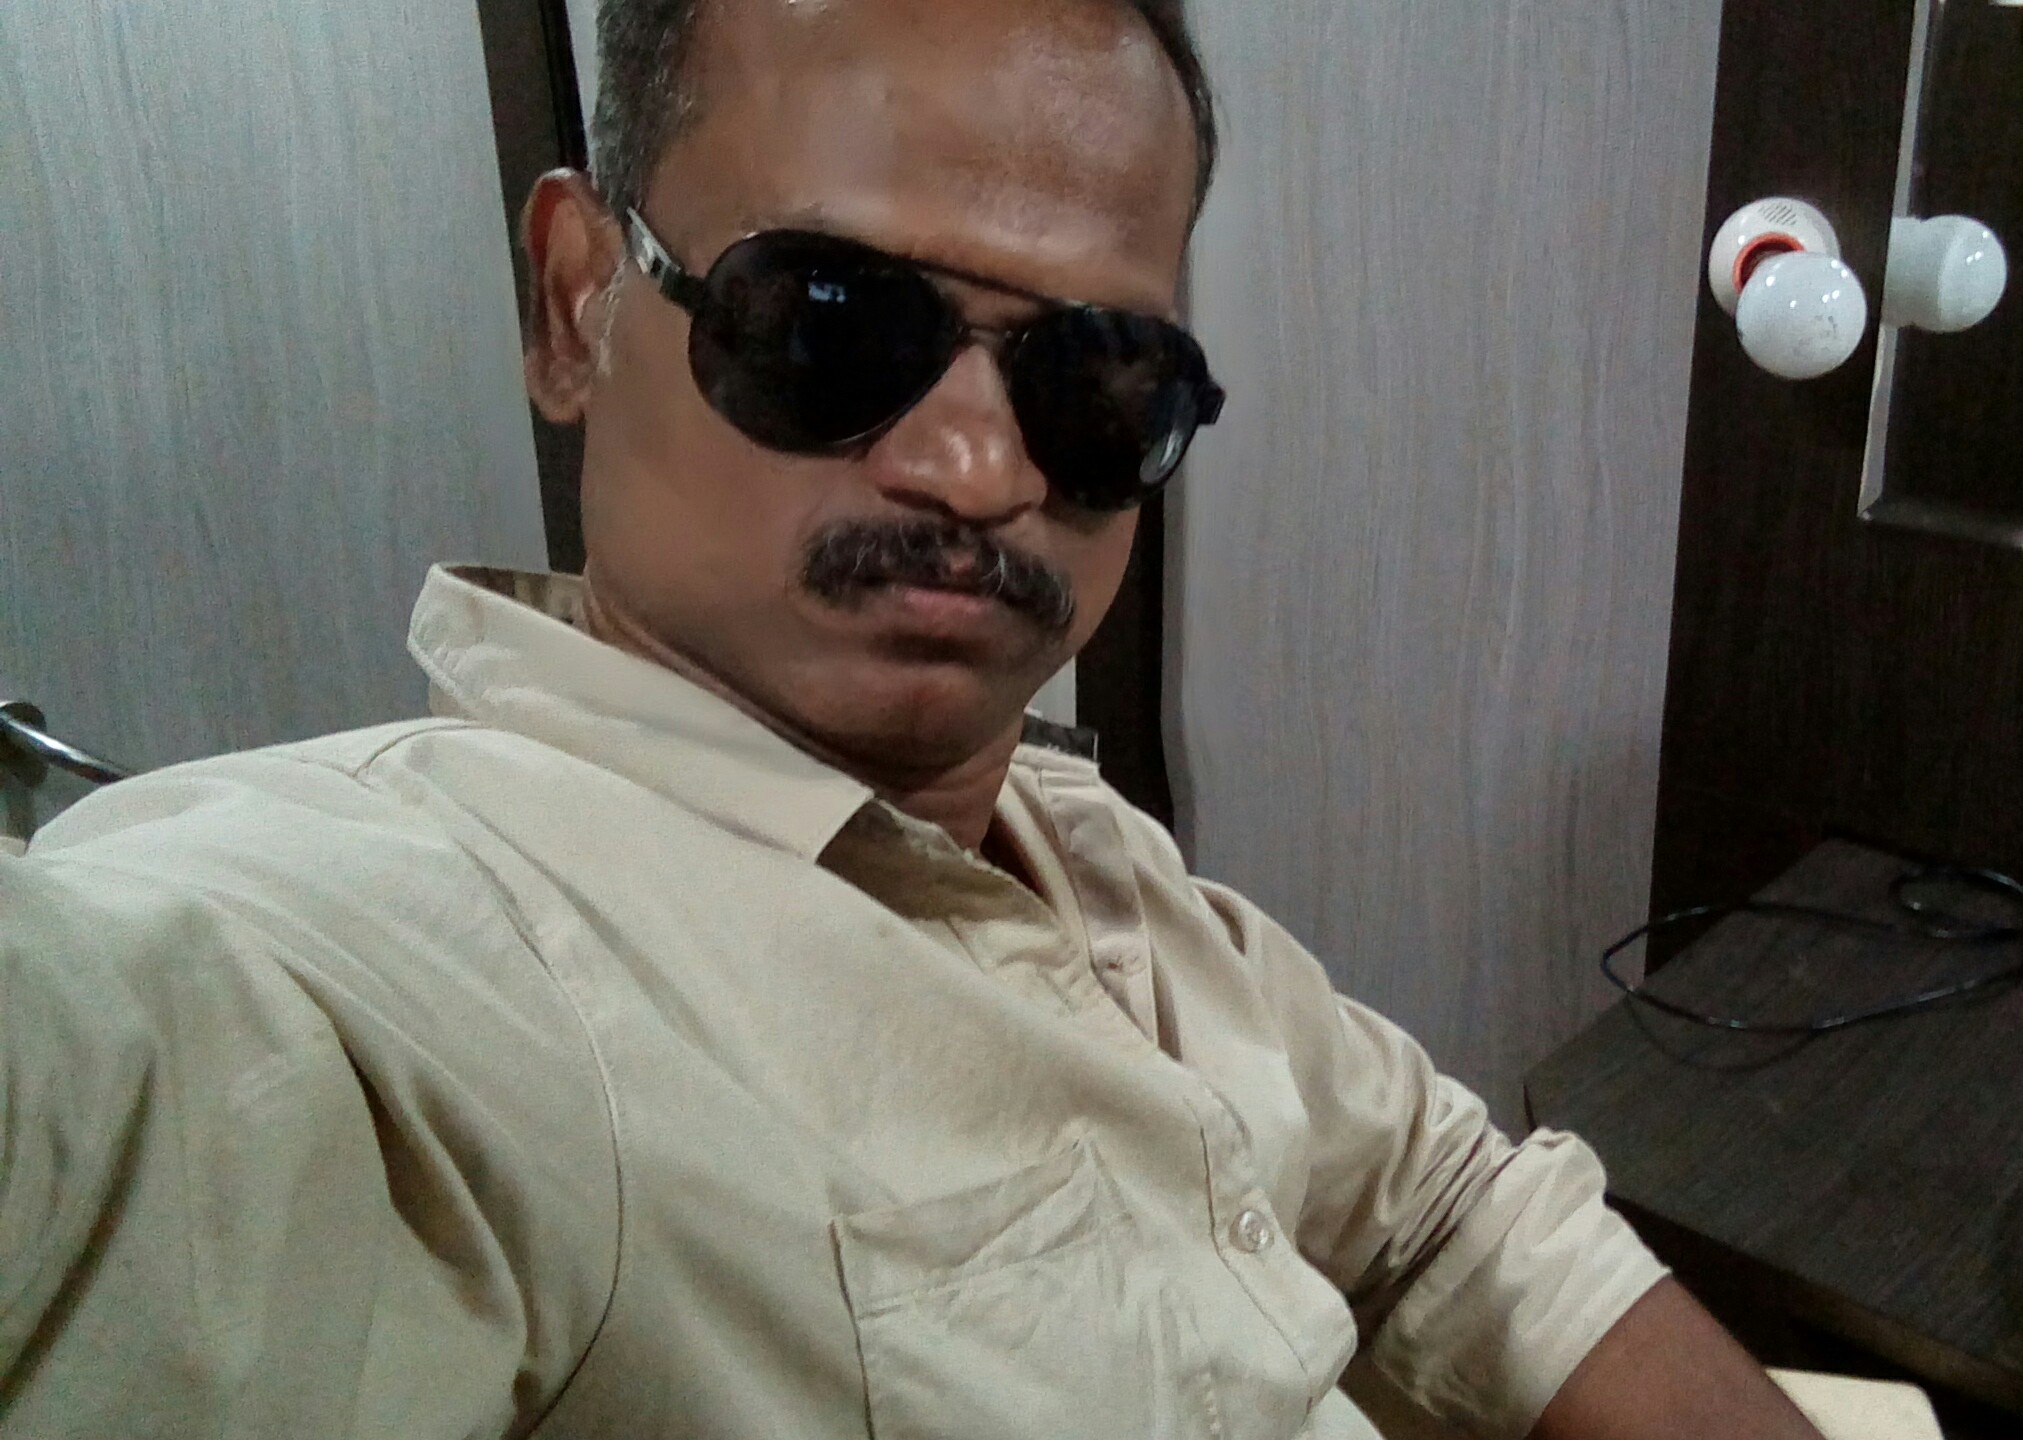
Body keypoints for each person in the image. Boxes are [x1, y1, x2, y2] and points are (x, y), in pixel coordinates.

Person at [0, 1, 1824, 1436]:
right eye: (829, 320)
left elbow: (1445, 1205)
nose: (978, 466)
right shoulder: (383, 958)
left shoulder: (1077, 846)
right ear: (576, 302)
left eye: (1094, 379)